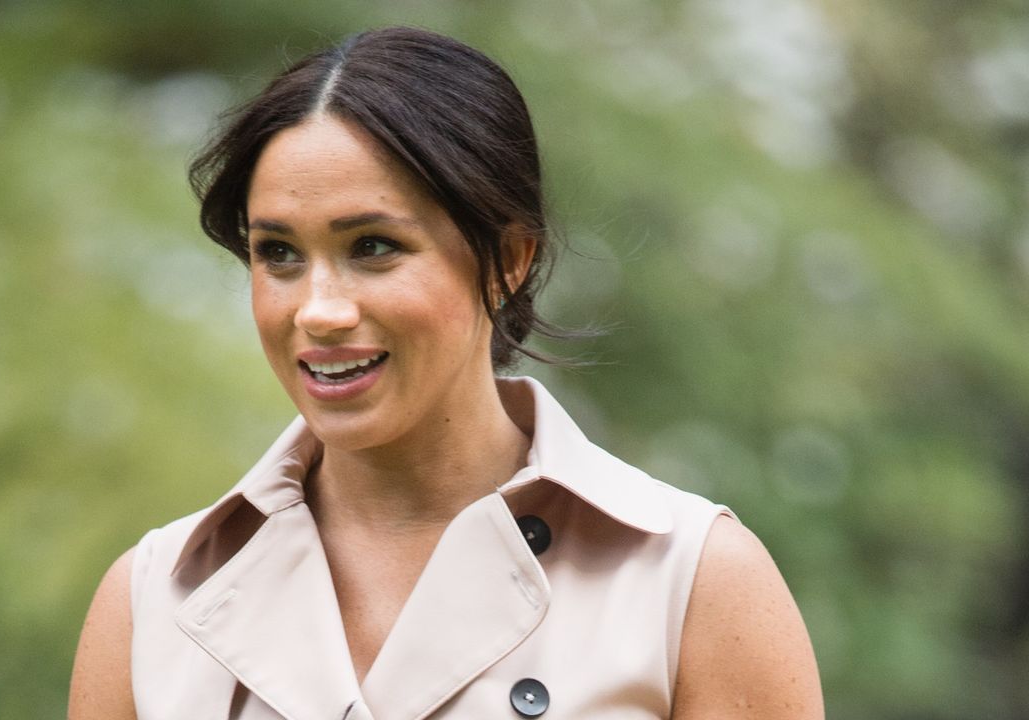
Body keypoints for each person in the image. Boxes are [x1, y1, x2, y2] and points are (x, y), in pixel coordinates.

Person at [68, 26, 823, 720]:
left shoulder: (691, 580)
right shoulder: (151, 602)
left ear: (509, 259)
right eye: (279, 254)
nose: (318, 311)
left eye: (372, 247)